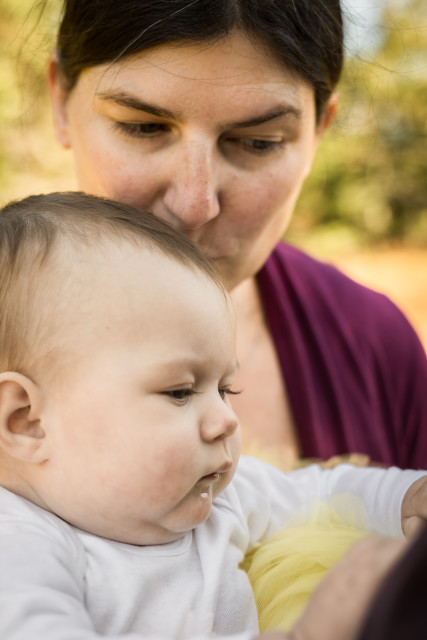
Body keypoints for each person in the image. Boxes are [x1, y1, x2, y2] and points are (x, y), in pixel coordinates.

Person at [0, 191, 426, 639]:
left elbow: (323, 494)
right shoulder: (21, 544)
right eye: (180, 392)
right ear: (26, 421)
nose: (226, 419)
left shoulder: (219, 499)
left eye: (225, 389)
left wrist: (407, 497)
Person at [43, 0, 427, 469]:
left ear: (318, 132)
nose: (195, 204)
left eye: (258, 142)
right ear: (60, 101)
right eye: (142, 127)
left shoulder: (377, 345)